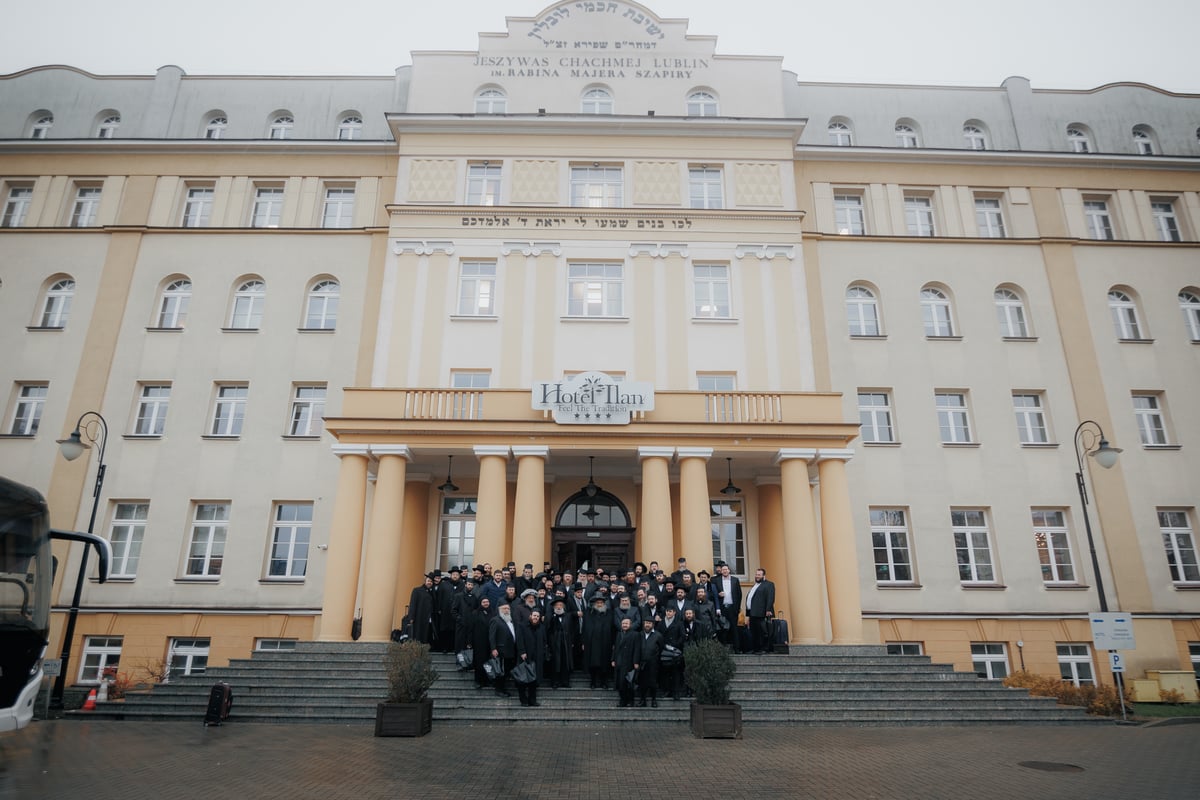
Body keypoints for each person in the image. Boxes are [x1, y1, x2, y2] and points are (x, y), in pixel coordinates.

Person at [582, 595, 614, 689]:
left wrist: (613, 643)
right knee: (593, 663)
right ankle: (593, 681)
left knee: (605, 663)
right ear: (594, 604)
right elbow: (584, 628)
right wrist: (583, 641)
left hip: (605, 642)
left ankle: (604, 682)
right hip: (592, 643)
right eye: (598, 603)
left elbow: (612, 629)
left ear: (604, 604)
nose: (599, 604)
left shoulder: (609, 613)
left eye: (601, 603)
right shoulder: (589, 613)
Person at [515, 609, 546, 707]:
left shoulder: (542, 627)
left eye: (537, 616)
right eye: (534, 615)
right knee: (523, 679)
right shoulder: (522, 626)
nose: (535, 617)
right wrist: (522, 652)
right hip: (525, 656)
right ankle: (523, 700)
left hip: (537, 657)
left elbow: (544, 641)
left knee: (533, 680)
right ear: (530, 616)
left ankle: (532, 700)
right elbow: (519, 640)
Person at [488, 602, 518, 698]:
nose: (506, 610)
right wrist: (493, 648)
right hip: (500, 651)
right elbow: (492, 636)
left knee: (506, 672)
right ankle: (499, 690)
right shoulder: (495, 620)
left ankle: (503, 688)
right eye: (504, 608)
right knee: (500, 671)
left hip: (510, 651)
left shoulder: (510, 620)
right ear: (499, 610)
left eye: (508, 609)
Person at [745, 567, 776, 654]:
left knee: (763, 632)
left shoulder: (769, 584)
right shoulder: (755, 585)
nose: (757, 576)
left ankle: (764, 648)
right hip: (753, 613)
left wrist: (768, 609)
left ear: (763, 576)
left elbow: (770, 597)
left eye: (759, 575)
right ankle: (756, 649)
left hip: (762, 613)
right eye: (756, 574)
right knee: (754, 632)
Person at [657, 605, 685, 699]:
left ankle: (676, 692)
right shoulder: (661, 623)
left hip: (675, 650)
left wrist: (675, 645)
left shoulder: (679, 623)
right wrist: (663, 645)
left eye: (670, 611)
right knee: (665, 672)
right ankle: (666, 690)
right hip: (664, 650)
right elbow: (658, 635)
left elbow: (682, 636)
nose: (668, 613)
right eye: (667, 611)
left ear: (674, 612)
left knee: (675, 672)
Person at [546, 596, 574, 688]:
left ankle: (565, 682)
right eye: (557, 605)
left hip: (565, 643)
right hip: (554, 644)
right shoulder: (550, 617)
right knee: (555, 663)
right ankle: (555, 682)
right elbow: (547, 630)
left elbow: (571, 629)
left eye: (560, 605)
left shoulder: (568, 616)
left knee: (565, 663)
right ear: (554, 607)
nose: (559, 607)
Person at [636, 616, 664, 707]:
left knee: (653, 682)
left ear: (653, 624)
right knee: (642, 682)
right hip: (641, 663)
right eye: (646, 623)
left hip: (653, 663)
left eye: (649, 623)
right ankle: (642, 700)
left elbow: (661, 648)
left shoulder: (658, 635)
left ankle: (654, 700)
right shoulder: (639, 634)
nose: (647, 625)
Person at [713, 561, 742, 650]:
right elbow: (713, 594)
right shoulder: (715, 580)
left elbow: (739, 594)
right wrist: (718, 594)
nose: (724, 571)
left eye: (726, 569)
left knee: (734, 629)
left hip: (732, 608)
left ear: (729, 570)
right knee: (722, 629)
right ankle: (722, 648)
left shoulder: (735, 580)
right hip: (722, 608)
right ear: (721, 571)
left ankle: (737, 648)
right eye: (723, 570)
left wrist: (737, 608)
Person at [611, 616, 639, 708]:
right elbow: (615, 648)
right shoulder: (619, 634)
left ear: (630, 625)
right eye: (623, 623)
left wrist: (635, 662)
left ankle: (630, 701)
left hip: (629, 662)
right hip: (619, 662)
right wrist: (613, 659)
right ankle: (622, 700)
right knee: (620, 683)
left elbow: (636, 649)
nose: (624, 625)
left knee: (628, 683)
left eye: (626, 623)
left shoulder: (635, 634)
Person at [470, 596, 493, 687]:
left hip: (489, 642)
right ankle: (478, 681)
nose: (486, 603)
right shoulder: (475, 613)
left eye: (487, 601)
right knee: (479, 662)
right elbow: (471, 628)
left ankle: (487, 680)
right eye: (484, 602)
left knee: (488, 662)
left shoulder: (493, 612)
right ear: (480, 603)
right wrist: (469, 641)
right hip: (478, 642)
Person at [452, 575, 478, 655]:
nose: (470, 586)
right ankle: (459, 662)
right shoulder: (458, 596)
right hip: (461, 624)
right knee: (460, 644)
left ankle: (467, 663)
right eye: (469, 584)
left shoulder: (474, 597)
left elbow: (475, 610)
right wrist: (459, 619)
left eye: (471, 585)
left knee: (469, 645)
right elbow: (453, 610)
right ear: (465, 585)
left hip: (471, 625)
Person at [407, 573, 436, 644]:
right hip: (418, 617)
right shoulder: (417, 590)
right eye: (428, 581)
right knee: (417, 636)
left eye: (431, 582)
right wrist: (411, 617)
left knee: (426, 636)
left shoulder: (432, 592)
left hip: (428, 619)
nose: (430, 583)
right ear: (425, 581)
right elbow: (413, 604)